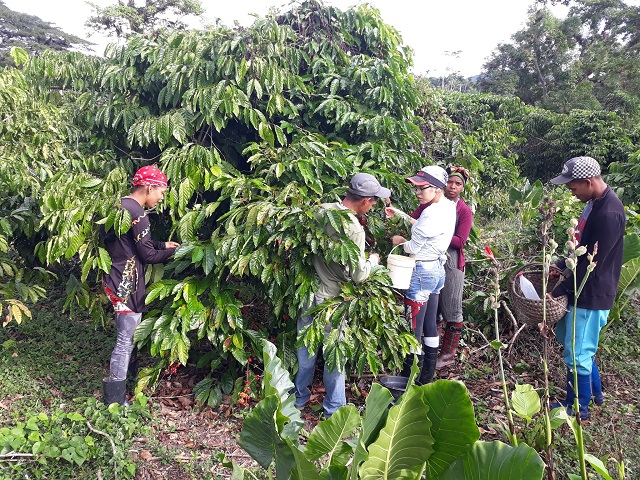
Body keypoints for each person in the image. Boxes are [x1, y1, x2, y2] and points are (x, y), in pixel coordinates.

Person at [294, 173, 391, 418]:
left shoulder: (322, 211)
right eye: (374, 201)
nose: (374, 205)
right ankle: (333, 411)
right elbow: (359, 275)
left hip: (308, 293)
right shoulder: (353, 228)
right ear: (366, 200)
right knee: (334, 355)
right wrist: (374, 262)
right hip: (332, 300)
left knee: (305, 351)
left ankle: (297, 400)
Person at [548, 156, 625, 420]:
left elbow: (594, 264)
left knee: (577, 351)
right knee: (580, 346)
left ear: (589, 182)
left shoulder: (609, 213)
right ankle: (596, 393)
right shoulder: (593, 204)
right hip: (582, 288)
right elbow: (581, 249)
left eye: (573, 188)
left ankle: (576, 408)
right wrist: (560, 263)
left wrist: (559, 291)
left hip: (592, 293)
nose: (572, 192)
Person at [101, 166, 180, 406]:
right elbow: (146, 255)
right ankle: (114, 400)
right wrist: (175, 253)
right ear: (149, 187)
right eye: (161, 192)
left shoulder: (118, 206)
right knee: (125, 340)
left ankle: (126, 381)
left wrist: (162, 244)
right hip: (127, 284)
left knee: (127, 336)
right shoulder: (139, 213)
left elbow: (132, 243)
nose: (161, 198)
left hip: (113, 278)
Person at [389, 166, 456, 384]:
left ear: (437, 189)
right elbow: (424, 227)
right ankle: (426, 377)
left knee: (413, 329)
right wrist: (399, 214)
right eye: (416, 188)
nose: (417, 193)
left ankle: (408, 380)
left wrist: (400, 242)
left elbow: (413, 248)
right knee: (430, 325)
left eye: (422, 188)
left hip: (421, 273)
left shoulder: (429, 212)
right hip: (437, 271)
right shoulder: (447, 206)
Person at [436, 166, 473, 369]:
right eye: (450, 182)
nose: (452, 187)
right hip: (434, 259)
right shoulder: (436, 202)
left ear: (462, 188)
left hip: (452, 261)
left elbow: (460, 241)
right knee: (436, 308)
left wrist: (436, 233)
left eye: (457, 184)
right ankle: (431, 350)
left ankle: (448, 354)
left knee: (452, 308)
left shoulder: (463, 210)